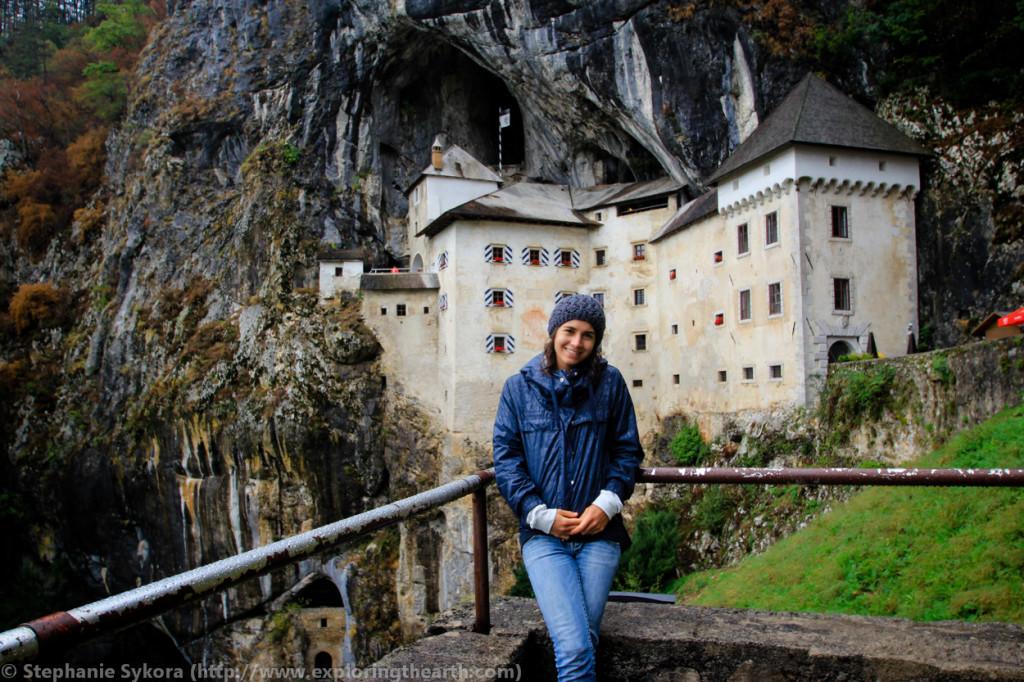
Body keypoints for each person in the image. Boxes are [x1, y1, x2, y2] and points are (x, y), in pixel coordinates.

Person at [492, 294, 644, 681]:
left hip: (599, 533)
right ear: (554, 332)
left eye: (588, 335)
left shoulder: (610, 384)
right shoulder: (517, 389)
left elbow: (627, 451)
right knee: (576, 645)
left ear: (597, 341)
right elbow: (507, 461)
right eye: (570, 331)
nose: (577, 343)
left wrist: (606, 505)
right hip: (544, 537)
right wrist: (540, 516)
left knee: (582, 641)